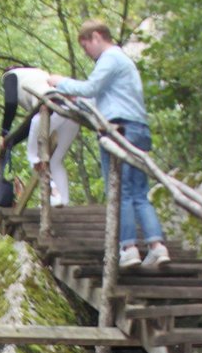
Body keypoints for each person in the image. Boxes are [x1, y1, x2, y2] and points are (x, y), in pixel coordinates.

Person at [47, 19, 170, 271]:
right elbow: (97, 99)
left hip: (118, 129)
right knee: (138, 192)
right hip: (138, 129)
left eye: (85, 47)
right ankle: (157, 247)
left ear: (96, 37)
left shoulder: (111, 58)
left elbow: (91, 87)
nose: (87, 54)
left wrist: (59, 81)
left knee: (120, 191)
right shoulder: (124, 62)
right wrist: (76, 99)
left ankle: (128, 248)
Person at [0, 66, 80, 207]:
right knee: (55, 161)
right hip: (71, 113)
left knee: (34, 156)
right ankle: (63, 202)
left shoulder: (10, 76)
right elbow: (30, 127)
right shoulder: (38, 74)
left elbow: (10, 103)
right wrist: (11, 142)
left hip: (49, 109)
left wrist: (4, 133)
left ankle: (53, 193)